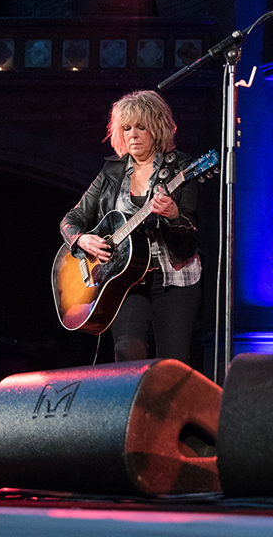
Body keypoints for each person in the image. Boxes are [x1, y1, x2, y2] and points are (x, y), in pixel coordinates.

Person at [60, 90, 202, 362]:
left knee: (172, 365)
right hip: (126, 281)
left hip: (174, 277)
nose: (133, 135)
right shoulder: (112, 171)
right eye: (126, 128)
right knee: (126, 353)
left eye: (141, 127)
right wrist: (81, 240)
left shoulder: (182, 168)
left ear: (157, 128)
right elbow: (71, 219)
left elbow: (191, 228)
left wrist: (173, 215)